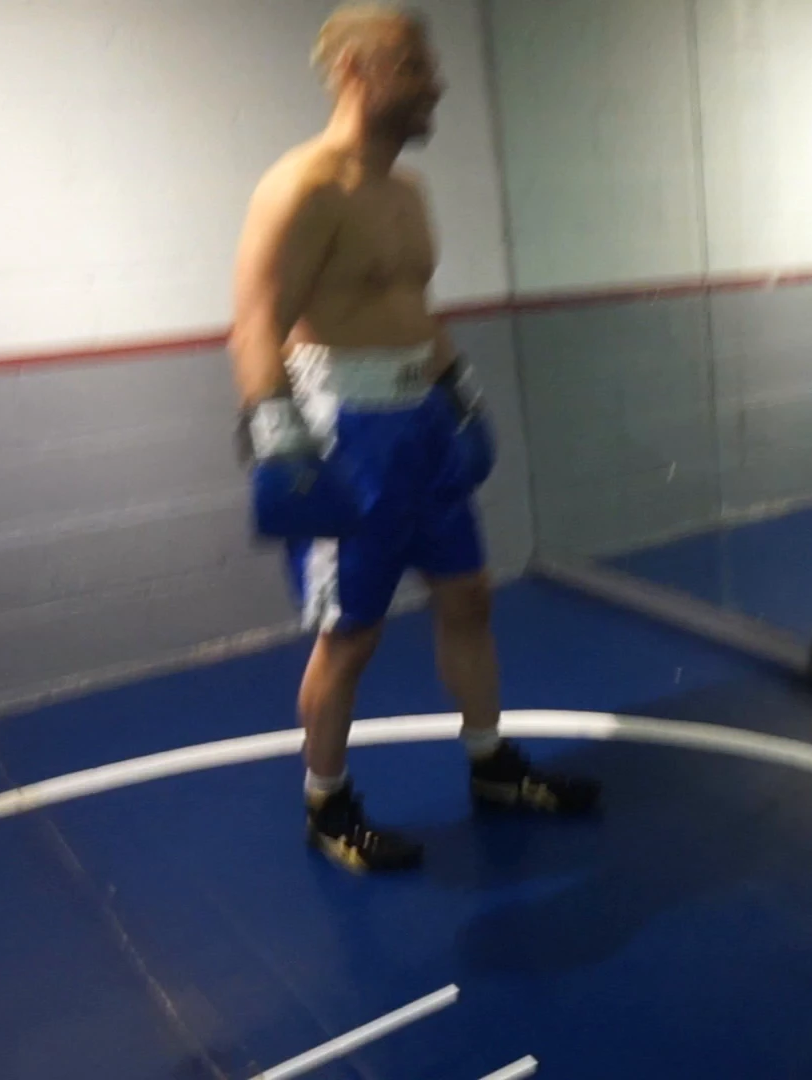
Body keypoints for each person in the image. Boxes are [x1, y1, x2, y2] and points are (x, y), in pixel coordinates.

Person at [229, 4, 598, 874]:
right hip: (346, 432)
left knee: (468, 596)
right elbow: (255, 323)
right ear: (356, 71)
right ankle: (327, 804)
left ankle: (491, 765)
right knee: (351, 635)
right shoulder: (303, 185)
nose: (436, 83)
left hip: (422, 422)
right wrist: (282, 441)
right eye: (415, 66)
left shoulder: (406, 192)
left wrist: (459, 394)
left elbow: (415, 309)